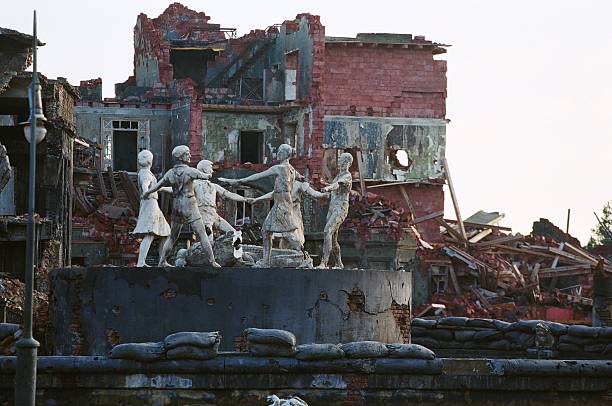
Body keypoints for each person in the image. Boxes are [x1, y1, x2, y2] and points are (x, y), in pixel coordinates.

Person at [219, 144, 298, 267]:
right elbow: (276, 192)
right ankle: (267, 261)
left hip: (281, 205)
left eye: (279, 151)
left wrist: (237, 181)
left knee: (287, 233)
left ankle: (303, 255)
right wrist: (257, 199)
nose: (277, 153)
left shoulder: (279, 168)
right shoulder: (292, 170)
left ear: (284, 154)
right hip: (282, 203)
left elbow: (257, 176)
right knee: (267, 232)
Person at [144, 145, 220, 267]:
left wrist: (148, 192)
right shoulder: (190, 171)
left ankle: (162, 261)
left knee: (173, 236)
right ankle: (212, 261)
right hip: (190, 204)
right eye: (187, 153)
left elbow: (158, 185)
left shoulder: (170, 173)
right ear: (180, 157)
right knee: (202, 234)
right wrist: (208, 173)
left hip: (177, 205)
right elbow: (206, 176)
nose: (190, 155)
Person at [253, 177, 328, 250]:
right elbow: (272, 194)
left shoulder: (299, 184)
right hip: (283, 212)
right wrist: (256, 199)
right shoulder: (282, 185)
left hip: (293, 213)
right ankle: (282, 253)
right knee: (282, 235)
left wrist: (323, 195)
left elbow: (313, 193)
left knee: (295, 238)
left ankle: (300, 253)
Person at [194, 159, 253, 243]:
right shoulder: (195, 184)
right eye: (210, 168)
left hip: (213, 214)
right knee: (208, 241)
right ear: (204, 169)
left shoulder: (213, 186)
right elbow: (181, 191)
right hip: (203, 214)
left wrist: (246, 199)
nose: (212, 171)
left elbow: (229, 194)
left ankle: (223, 249)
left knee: (232, 233)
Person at [132, 150, 171, 267]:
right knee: (150, 232)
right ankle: (141, 262)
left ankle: (161, 261)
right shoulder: (145, 173)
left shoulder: (147, 173)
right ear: (150, 160)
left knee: (166, 232)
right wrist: (145, 192)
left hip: (152, 204)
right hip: (150, 204)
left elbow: (158, 188)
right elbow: (145, 184)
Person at [316, 152, 353, 269]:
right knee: (333, 237)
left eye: (344, 161)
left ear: (348, 163)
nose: (341, 163)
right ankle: (339, 263)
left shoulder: (347, 176)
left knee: (328, 231)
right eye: (340, 161)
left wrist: (328, 187)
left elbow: (337, 185)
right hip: (332, 208)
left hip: (340, 208)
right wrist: (324, 187)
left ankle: (324, 262)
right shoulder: (338, 176)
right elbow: (334, 187)